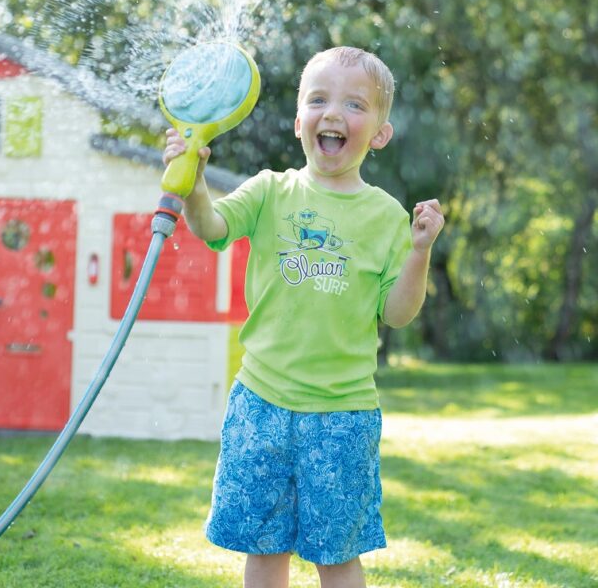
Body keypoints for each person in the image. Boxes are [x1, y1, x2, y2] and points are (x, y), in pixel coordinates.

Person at [163, 46, 445, 588]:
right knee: (265, 550)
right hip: (261, 403)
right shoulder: (271, 190)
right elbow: (213, 228)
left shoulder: (387, 215)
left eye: (354, 105)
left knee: (336, 555)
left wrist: (419, 252)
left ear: (379, 134)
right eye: (318, 100)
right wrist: (195, 182)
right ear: (299, 123)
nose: (333, 113)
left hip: (342, 414)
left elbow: (398, 313)